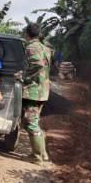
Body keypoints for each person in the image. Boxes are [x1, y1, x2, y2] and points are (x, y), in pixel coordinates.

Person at [21, 23, 51, 164]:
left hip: (33, 91)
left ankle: (37, 156)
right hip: (42, 90)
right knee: (34, 122)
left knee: (31, 123)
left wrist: (23, 76)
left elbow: (37, 64)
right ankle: (43, 154)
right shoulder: (45, 48)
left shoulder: (31, 47)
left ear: (27, 34)